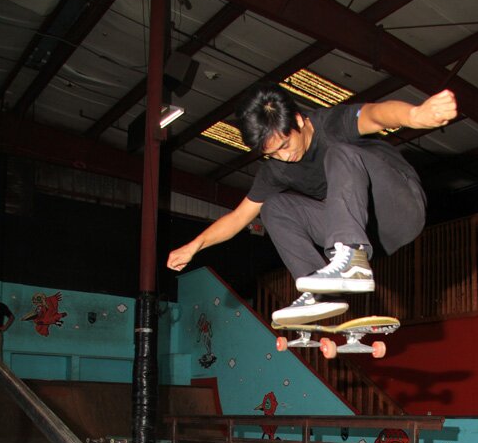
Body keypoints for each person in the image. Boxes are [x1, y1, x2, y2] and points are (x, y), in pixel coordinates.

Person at [167, 84, 457, 323]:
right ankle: (321, 294)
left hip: (400, 206)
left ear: (298, 120)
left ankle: (350, 258)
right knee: (273, 208)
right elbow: (239, 217)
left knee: (339, 153)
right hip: (371, 234)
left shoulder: (330, 124)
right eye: (272, 154)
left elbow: (376, 114)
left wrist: (415, 115)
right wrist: (195, 245)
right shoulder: (276, 170)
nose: (284, 157)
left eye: (285, 145)